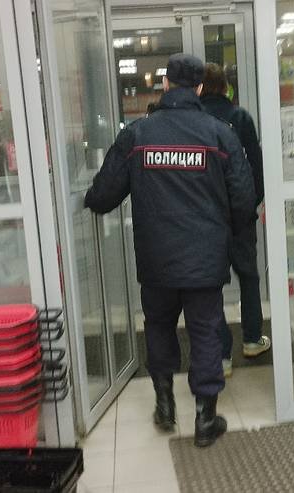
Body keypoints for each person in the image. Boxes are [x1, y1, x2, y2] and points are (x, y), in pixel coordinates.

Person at [84, 53, 255, 448]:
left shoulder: (138, 135)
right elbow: (244, 200)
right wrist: (224, 231)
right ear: (200, 87)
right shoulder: (220, 135)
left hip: (156, 259)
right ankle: (205, 418)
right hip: (205, 259)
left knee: (159, 326)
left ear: (164, 84)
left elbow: (104, 195)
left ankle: (164, 405)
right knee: (205, 331)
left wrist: (88, 199)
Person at [199, 63, 270, 377]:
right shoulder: (240, 118)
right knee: (249, 277)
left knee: (211, 286)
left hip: (206, 219)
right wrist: (251, 203)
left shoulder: (195, 122)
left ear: (199, 88)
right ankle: (252, 340)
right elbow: (257, 167)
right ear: (226, 87)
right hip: (240, 217)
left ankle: (222, 356)